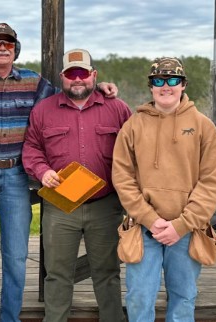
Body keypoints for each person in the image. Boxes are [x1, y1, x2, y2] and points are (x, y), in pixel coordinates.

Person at [0, 22, 118, 321]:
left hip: (15, 177)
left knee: (16, 256)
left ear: (16, 49)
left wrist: (100, 88)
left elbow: (72, 94)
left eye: (8, 43)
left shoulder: (36, 84)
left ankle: (11, 317)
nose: (1, 47)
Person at [112, 57, 216, 322]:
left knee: (183, 299)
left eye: (172, 80)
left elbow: (211, 183)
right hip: (142, 229)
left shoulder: (204, 126)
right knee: (139, 298)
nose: (166, 86)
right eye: (158, 80)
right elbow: (122, 177)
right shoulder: (132, 125)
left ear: (183, 84)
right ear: (150, 86)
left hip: (186, 231)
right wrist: (151, 219)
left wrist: (181, 225)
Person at [22, 48, 131, 322]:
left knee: (107, 273)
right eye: (72, 74)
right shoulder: (43, 110)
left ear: (94, 75)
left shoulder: (118, 108)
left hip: (105, 206)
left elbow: (135, 149)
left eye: (83, 73)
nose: (78, 79)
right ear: (63, 77)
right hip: (61, 205)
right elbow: (32, 148)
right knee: (57, 274)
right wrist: (42, 171)